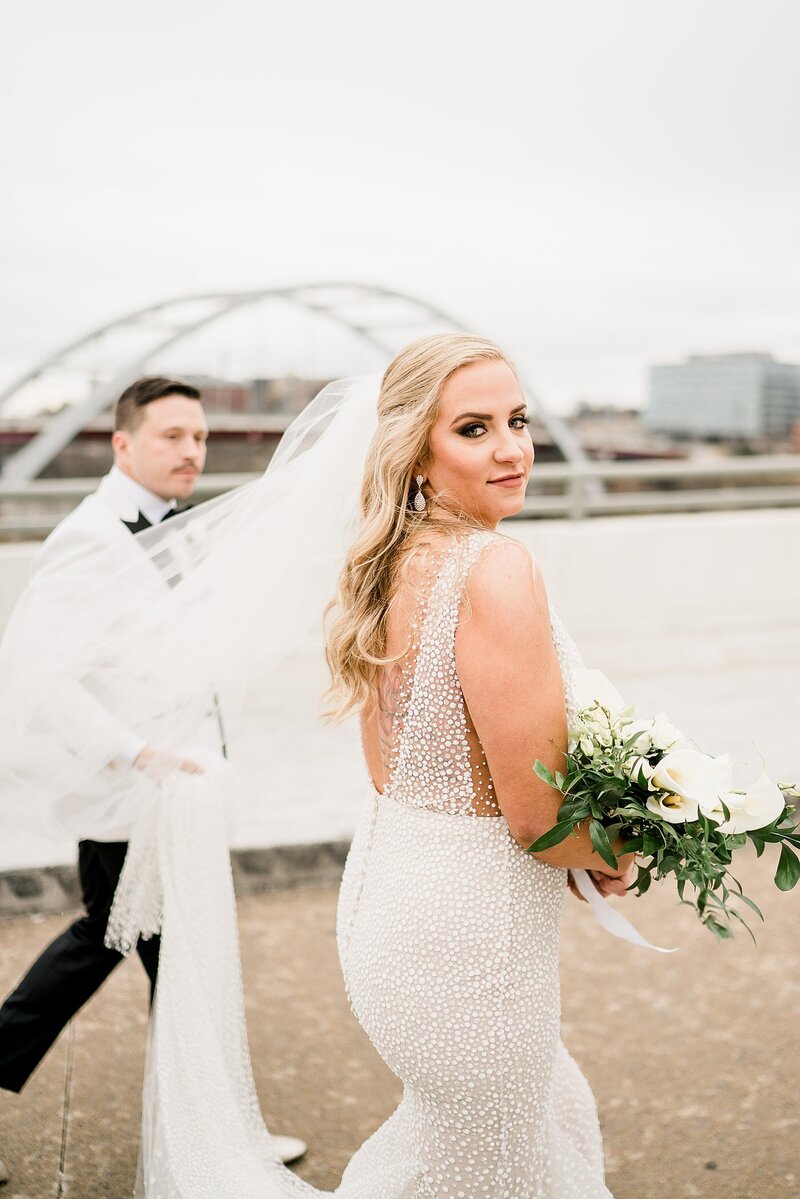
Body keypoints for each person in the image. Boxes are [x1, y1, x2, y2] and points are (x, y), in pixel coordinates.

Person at [0, 376, 306, 1173]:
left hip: (175, 790)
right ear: (123, 442)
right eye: (172, 435)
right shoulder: (88, 539)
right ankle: (218, 1137)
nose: (191, 451)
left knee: (175, 960)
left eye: (200, 437)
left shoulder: (176, 528)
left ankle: (216, 1132)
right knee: (106, 943)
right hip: (127, 795)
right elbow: (43, 676)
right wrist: (134, 752)